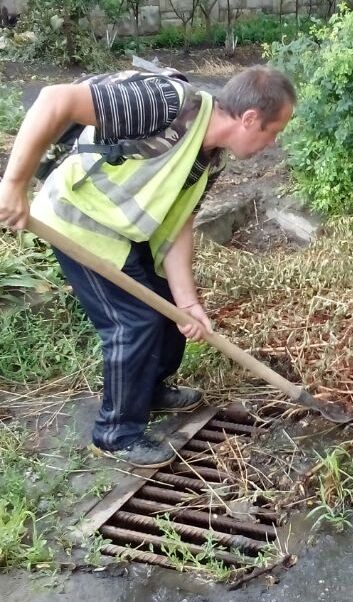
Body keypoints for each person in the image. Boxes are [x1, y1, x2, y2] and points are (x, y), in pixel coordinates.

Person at [0, 65, 296, 468]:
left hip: (124, 230)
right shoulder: (165, 104)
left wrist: (187, 304)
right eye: (274, 131)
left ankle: (149, 390)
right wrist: (13, 184)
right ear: (249, 118)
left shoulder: (210, 160)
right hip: (77, 222)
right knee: (134, 322)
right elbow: (56, 99)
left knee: (169, 311)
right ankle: (115, 434)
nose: (273, 142)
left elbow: (178, 226)